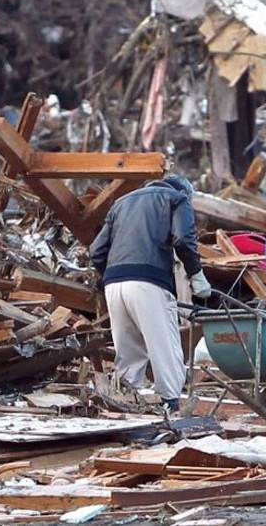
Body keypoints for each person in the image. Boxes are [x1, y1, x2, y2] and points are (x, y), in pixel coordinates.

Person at [89, 174, 211, 412]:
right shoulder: (177, 198)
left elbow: (96, 250)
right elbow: (183, 239)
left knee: (128, 350)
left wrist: (112, 275)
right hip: (149, 281)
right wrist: (196, 275)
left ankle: (126, 400)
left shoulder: (121, 202)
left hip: (114, 283)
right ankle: (171, 404)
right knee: (164, 345)